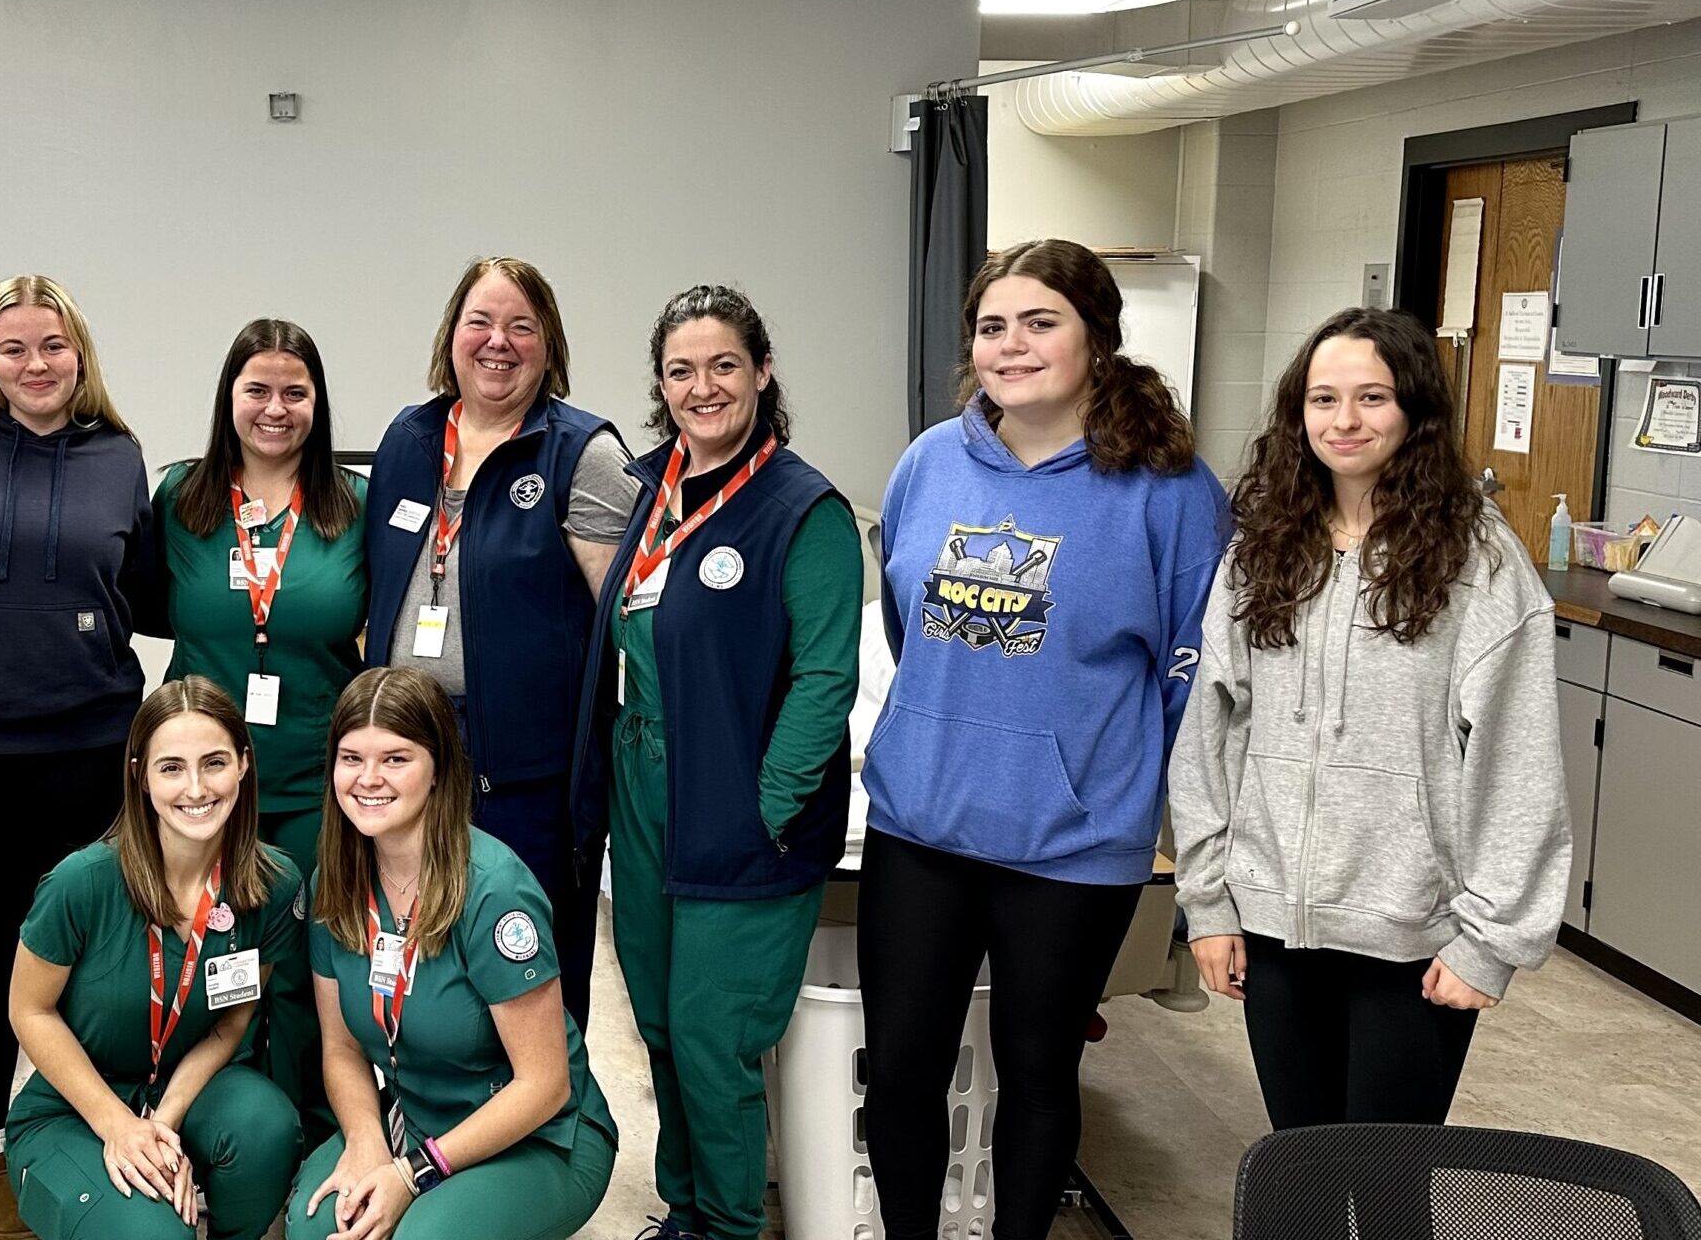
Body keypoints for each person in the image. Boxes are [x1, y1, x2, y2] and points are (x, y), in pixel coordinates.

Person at [859, 239, 1229, 1239]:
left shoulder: (1171, 489)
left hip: (1071, 844)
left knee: (1037, 1066)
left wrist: (1109, 785)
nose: (1010, 345)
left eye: (1039, 322)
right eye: (991, 326)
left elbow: (1192, 670)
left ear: (1097, 337)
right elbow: (909, 632)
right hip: (921, 822)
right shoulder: (928, 464)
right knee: (897, 1067)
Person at [1170, 307, 1569, 1131]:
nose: (1344, 421)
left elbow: (1516, 761)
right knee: (1302, 1173)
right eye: (1323, 399)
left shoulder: (1479, 563)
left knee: (1388, 1191)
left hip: (1414, 938)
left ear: (1416, 411)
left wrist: (1489, 943)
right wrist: (1206, 902)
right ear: (1298, 413)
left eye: (1372, 398)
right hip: (1273, 925)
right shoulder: (1262, 549)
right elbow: (1211, 732)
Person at [568, 285, 860, 1240]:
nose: (703, 387)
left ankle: (730, 1228)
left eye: (724, 365)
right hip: (647, 789)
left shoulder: (801, 509)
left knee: (712, 1037)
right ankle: (684, 1211)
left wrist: (766, 806)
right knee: (655, 1019)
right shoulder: (647, 485)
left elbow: (825, 679)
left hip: (743, 803)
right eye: (682, 370)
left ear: (762, 373)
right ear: (660, 383)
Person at [0, 274, 152, 1240]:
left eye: (52, 345)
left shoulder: (121, 457)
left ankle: (82, 1137)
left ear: (80, 354)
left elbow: (140, 586)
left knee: (90, 956)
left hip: (90, 744)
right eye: (14, 348)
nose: (35, 364)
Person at [364, 257, 641, 1025]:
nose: (498, 342)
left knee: (525, 966)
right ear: (451, 336)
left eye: (522, 326)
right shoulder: (408, 440)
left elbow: (633, 621)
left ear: (549, 345)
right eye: (480, 322)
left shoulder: (581, 453)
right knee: (412, 953)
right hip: (404, 744)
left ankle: (548, 1133)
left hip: (524, 773)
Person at [286, 666, 617, 1240]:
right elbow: (340, 1048)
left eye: (396, 758)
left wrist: (409, 1175)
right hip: (414, 1118)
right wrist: (366, 1145)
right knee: (314, 1223)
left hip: (537, 1135)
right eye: (350, 758)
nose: (369, 779)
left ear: (438, 768)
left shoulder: (492, 889)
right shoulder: (334, 884)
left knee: (425, 1236)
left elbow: (545, 1085)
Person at [139, 317, 366, 1134]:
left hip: (315, 777)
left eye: (294, 392)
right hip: (200, 782)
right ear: (228, 397)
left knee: (309, 963)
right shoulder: (180, 499)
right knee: (208, 955)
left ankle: (312, 1126)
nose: (276, 408)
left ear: (318, 402)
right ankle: (217, 1124)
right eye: (258, 390)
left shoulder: (355, 507)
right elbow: (137, 598)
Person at [3, 676, 304, 1240]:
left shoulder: (274, 884)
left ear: (243, 764)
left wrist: (161, 1123)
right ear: (140, 775)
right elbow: (29, 1012)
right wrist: (119, 1126)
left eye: (214, 762)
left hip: (189, 1094)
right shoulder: (82, 883)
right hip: (76, 1108)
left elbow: (235, 1020)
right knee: (151, 1234)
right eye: (171, 767)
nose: (196, 788)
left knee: (265, 1128)